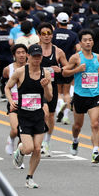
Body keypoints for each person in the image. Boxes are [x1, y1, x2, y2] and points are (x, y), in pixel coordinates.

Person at [7, 44, 53, 189]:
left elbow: (49, 97)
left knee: (37, 149)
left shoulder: (45, 73)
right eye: (34, 56)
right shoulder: (20, 72)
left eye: (39, 56)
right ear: (29, 56)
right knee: (28, 148)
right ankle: (20, 150)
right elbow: (7, 87)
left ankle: (29, 177)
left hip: (38, 115)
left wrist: (45, 86)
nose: (36, 59)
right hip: (24, 115)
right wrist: (11, 101)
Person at [62, 29, 99, 164]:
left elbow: (97, 70)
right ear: (80, 42)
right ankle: (75, 141)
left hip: (95, 94)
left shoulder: (97, 57)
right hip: (80, 95)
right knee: (77, 126)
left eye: (90, 40)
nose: (88, 42)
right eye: (85, 40)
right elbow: (65, 72)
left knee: (95, 124)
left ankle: (95, 152)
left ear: (93, 42)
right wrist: (77, 70)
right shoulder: (76, 57)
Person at [36, 22, 68, 156]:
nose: (46, 36)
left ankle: (46, 142)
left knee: (49, 115)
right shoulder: (33, 49)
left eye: (49, 33)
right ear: (39, 35)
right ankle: (34, 139)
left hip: (51, 88)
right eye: (43, 34)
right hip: (35, 87)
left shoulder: (58, 51)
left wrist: (60, 69)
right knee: (40, 115)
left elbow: (67, 67)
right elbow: (25, 66)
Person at [3, 44, 28, 155]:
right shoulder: (9, 69)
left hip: (28, 102)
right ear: (14, 55)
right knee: (15, 130)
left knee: (24, 132)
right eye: (18, 53)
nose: (21, 55)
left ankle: (19, 153)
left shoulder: (31, 67)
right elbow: (4, 82)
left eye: (23, 52)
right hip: (14, 101)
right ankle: (11, 139)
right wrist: (10, 100)